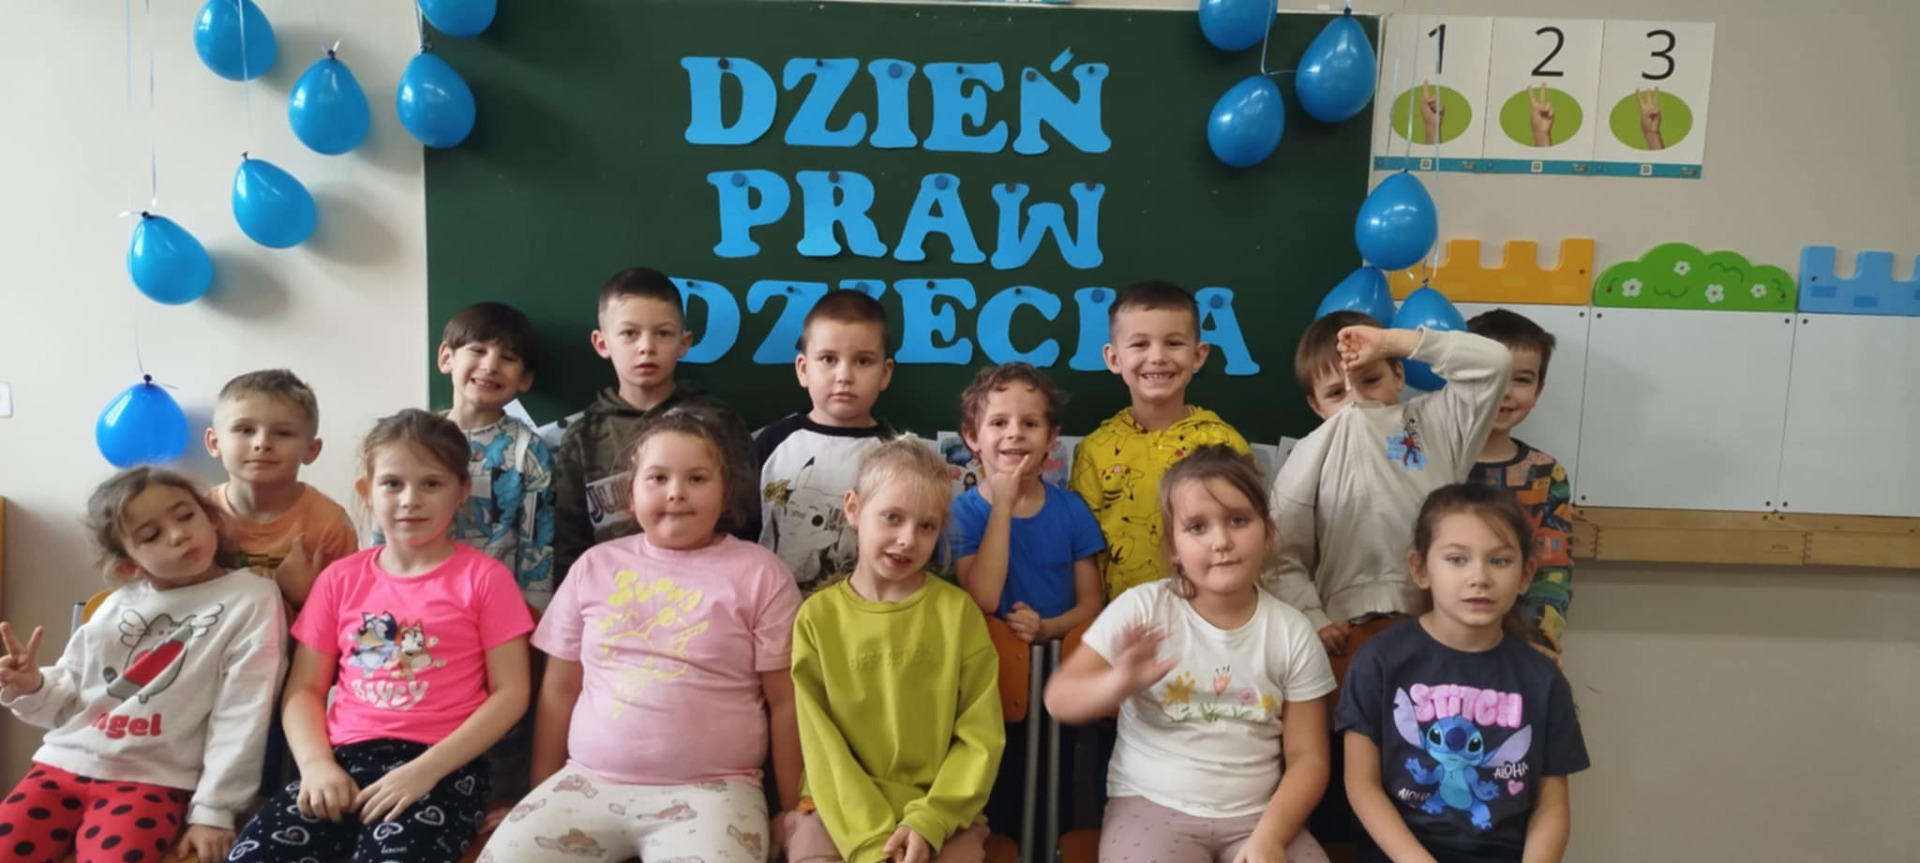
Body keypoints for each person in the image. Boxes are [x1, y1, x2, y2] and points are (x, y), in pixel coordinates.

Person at [481, 407, 803, 862]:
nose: (676, 492)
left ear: (726, 491)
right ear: (630, 494)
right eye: (657, 478)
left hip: (714, 792)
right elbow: (560, 689)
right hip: (585, 782)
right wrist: (539, 794)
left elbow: (785, 702)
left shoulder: (761, 575)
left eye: (697, 478)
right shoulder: (594, 567)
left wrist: (792, 810)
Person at [230, 410, 534, 862]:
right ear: (367, 492)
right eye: (393, 483)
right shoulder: (339, 580)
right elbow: (304, 690)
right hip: (341, 763)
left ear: (461, 492)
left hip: (444, 768)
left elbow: (511, 694)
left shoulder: (485, 580)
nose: (411, 499)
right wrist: (315, 766)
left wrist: (426, 771)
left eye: (431, 484)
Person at [1047, 445, 1336, 863]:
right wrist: (1117, 683)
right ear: (1173, 547)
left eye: (1238, 520)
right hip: (1150, 808)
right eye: (1198, 527)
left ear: (1268, 533)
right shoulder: (1143, 608)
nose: (1221, 541)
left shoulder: (1292, 632)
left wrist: (1270, 837)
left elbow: (1309, 759)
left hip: (1263, 817)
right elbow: (1059, 699)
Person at [0, 467, 285, 863]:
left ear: (211, 518)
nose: (179, 534)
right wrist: (31, 686)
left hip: (151, 782)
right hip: (57, 767)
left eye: (186, 516)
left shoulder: (251, 597)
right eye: (151, 535)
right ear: (128, 566)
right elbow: (65, 703)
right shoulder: (116, 604)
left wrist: (214, 811)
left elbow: (243, 713)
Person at [1338, 484, 1589, 863]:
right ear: (1420, 568)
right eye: (1457, 559)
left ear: (1525, 575)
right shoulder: (1378, 662)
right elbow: (1361, 784)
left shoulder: (1543, 679)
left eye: (1499, 561)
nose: (1479, 577)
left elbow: (1551, 808)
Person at [786, 438, 1005, 863]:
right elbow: (820, 745)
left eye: (927, 526)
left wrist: (930, 819)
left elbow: (980, 737)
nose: (907, 539)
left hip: (941, 811)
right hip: (837, 811)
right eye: (892, 517)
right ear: (853, 509)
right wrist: (872, 842)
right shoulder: (817, 619)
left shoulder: (957, 613)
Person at [1267, 314, 1511, 673]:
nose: (1356, 402)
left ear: (1398, 375)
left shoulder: (1438, 424)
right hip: (1347, 630)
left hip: (1445, 621)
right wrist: (1312, 617)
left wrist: (1390, 342)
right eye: (1336, 393)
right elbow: (1279, 555)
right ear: (1316, 405)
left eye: (1370, 380)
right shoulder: (1308, 452)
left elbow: (1495, 363)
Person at [554, 267, 754, 580]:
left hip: (710, 587)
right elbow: (569, 542)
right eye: (629, 333)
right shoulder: (583, 437)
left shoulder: (717, 422)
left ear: (684, 342)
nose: (647, 346)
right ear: (602, 343)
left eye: (663, 333)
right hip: (617, 593)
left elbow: (746, 519)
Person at [1071, 280, 1250, 600]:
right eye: (1140, 344)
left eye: (1174, 343)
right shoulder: (1095, 451)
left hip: (1211, 615)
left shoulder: (1223, 442)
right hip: (1125, 620)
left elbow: (1248, 535)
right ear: (1114, 359)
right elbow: (1083, 550)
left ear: (1198, 355)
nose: (1157, 357)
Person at [752, 289, 896, 593]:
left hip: (861, 611)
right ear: (803, 369)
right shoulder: (771, 444)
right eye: (828, 359)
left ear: (885, 374)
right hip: (773, 608)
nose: (844, 375)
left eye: (863, 361)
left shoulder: (896, 455)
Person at [952, 363, 1104, 644]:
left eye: (1030, 424)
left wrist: (1046, 628)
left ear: (1051, 438)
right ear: (972, 436)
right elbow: (984, 599)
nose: (1015, 433)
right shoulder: (962, 513)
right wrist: (1003, 506)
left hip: (1059, 658)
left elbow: (1092, 605)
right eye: (999, 423)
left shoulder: (1073, 510)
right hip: (990, 659)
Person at [1465, 309, 1574, 656]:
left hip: (1514, 645)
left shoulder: (1546, 474)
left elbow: (1552, 571)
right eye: (1490, 376)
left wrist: (1538, 638)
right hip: (1427, 637)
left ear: (1538, 391)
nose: (1505, 392)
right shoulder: (1426, 461)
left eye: (1522, 380)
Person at [203, 369, 358, 608]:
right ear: (215, 443)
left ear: (311, 450)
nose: (262, 443)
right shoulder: (199, 515)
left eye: (283, 433)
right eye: (245, 429)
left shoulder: (329, 525)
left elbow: (350, 607)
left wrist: (306, 596)